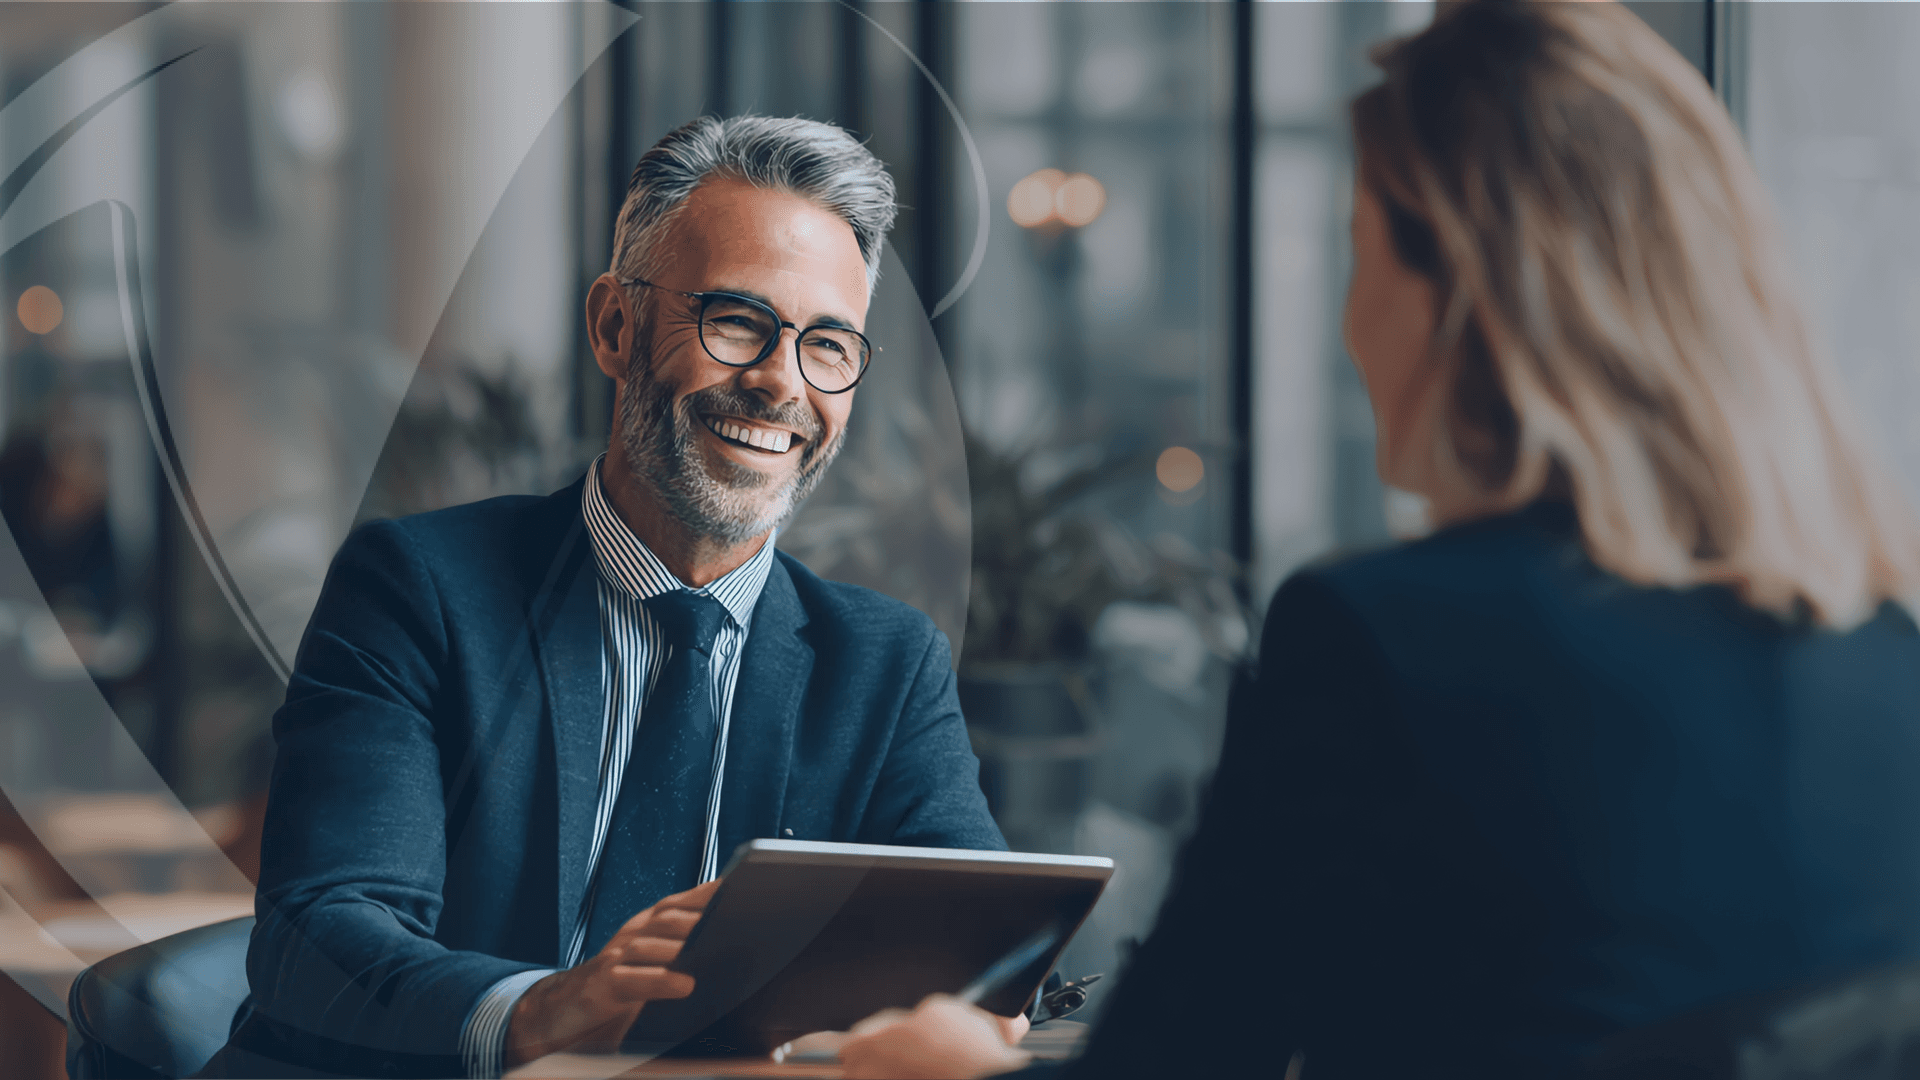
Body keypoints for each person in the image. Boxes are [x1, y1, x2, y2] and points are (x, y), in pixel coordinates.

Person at [834, 2, 1920, 1077]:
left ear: (1457, 288)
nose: (1352, 324)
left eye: (1361, 253)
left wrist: (949, 1069)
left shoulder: (1391, 641)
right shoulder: (1885, 647)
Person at [200, 115, 1004, 1080]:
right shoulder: (419, 589)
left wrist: (982, 1006)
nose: (781, 384)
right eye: (738, 321)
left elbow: (985, 947)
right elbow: (321, 936)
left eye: (828, 344)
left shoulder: (887, 662)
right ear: (616, 327)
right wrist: (547, 1009)